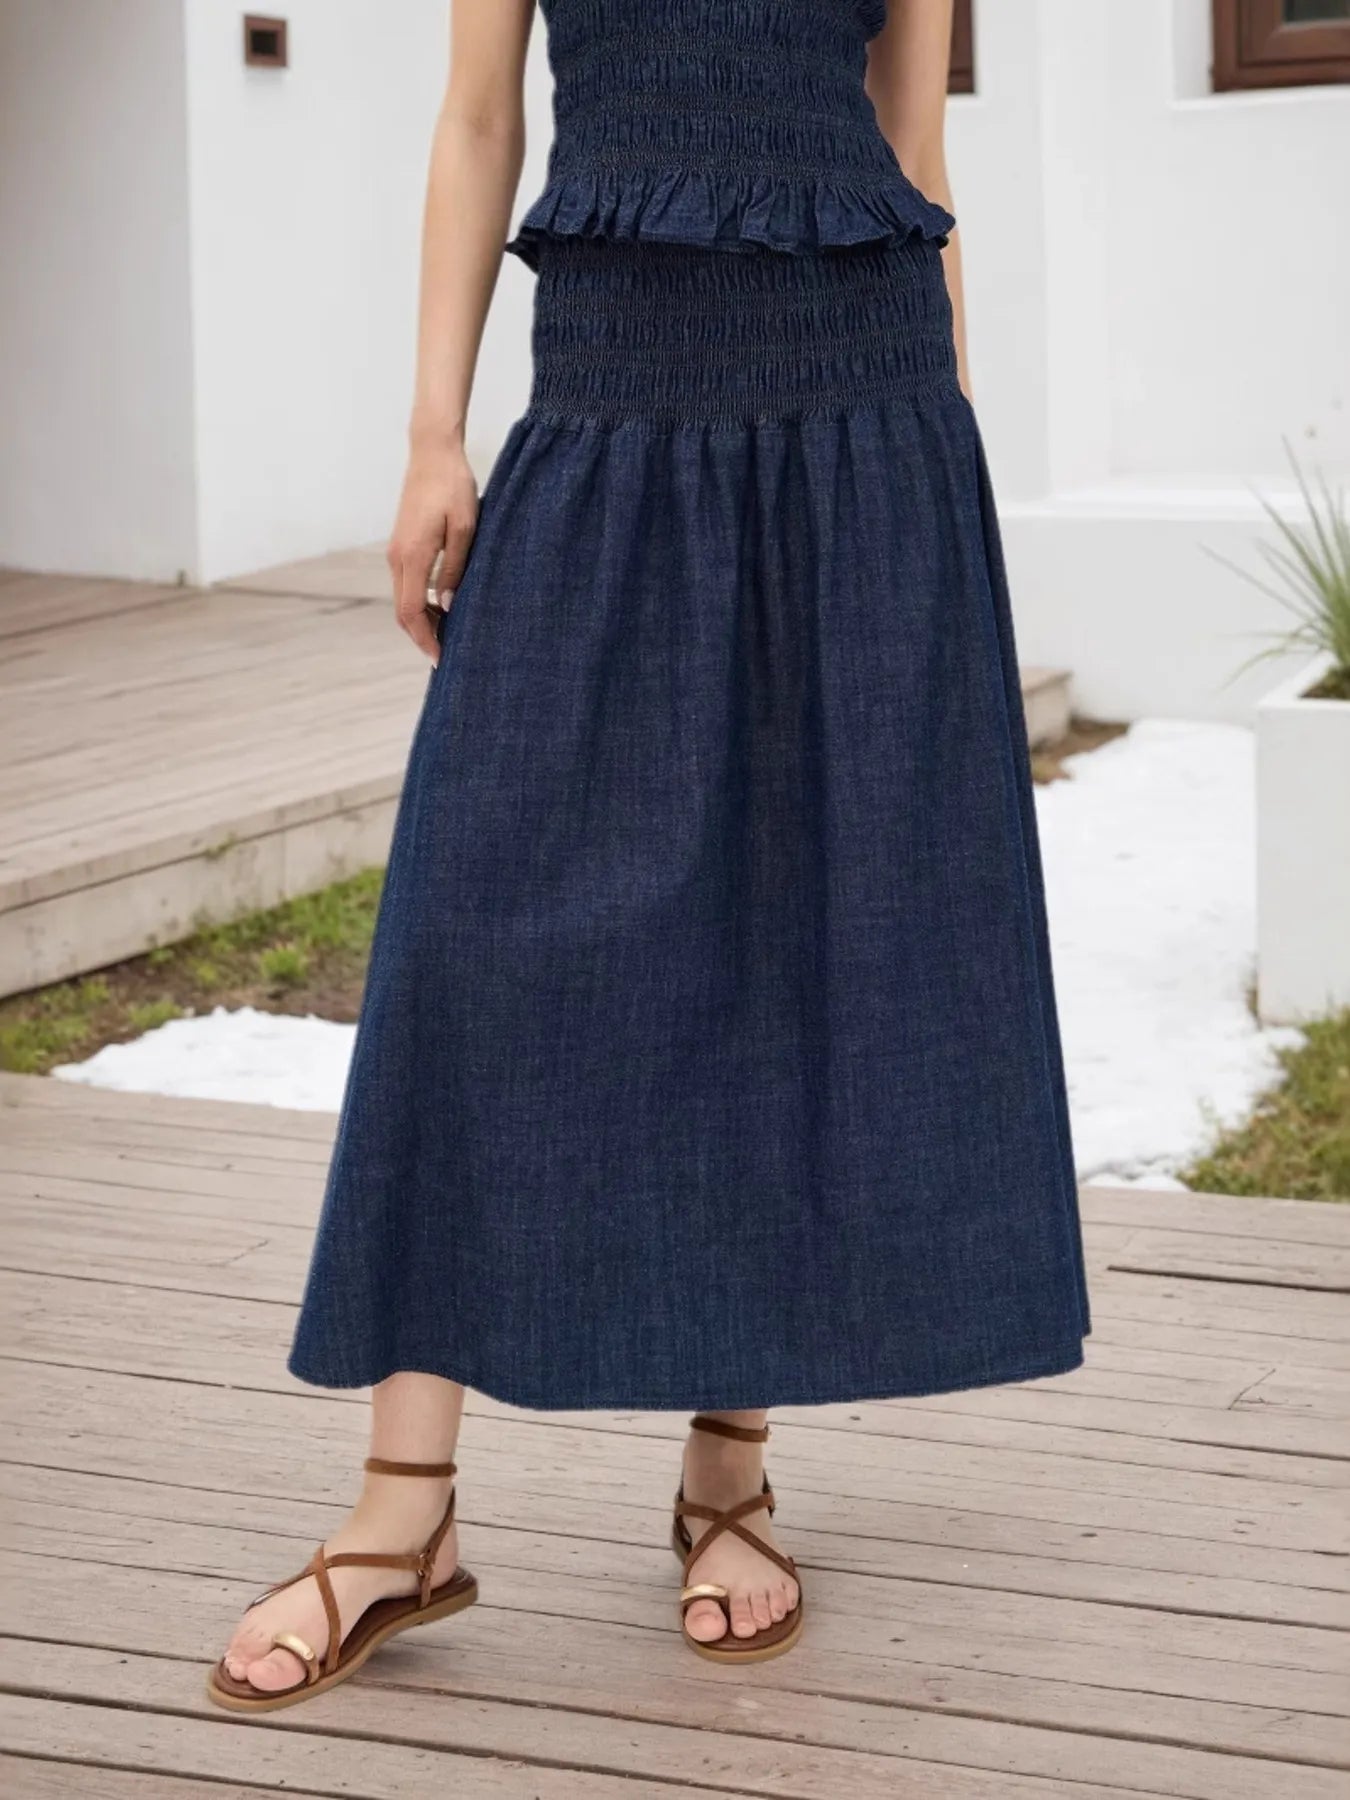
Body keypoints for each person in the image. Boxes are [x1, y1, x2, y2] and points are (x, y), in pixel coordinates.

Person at [208, 0, 1090, 1710]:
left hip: (861, 416)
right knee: (465, 936)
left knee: (780, 929)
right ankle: (401, 1513)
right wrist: (432, 436)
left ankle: (725, 1475)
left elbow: (914, 150)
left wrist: (946, 462)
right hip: (609, 404)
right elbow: (479, 120)